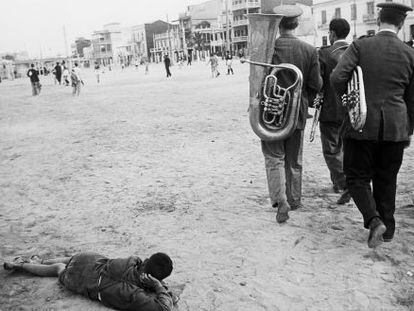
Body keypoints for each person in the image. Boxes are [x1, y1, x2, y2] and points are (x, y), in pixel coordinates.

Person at [331, 2, 414, 248]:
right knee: (387, 178)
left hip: (361, 125)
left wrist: (349, 101)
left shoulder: (360, 45)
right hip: (396, 127)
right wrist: (408, 129)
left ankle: (374, 219)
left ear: (378, 20)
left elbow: (337, 77)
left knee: (356, 177)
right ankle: (388, 229)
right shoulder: (410, 53)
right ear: (400, 24)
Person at [261, 5, 322, 223]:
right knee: (294, 159)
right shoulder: (308, 50)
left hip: (270, 114)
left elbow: (256, 81)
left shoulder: (267, 48)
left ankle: (280, 200)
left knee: (274, 157)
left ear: (278, 24)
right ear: (296, 24)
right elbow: (317, 84)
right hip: (296, 114)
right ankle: (294, 200)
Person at [3, 252, 175, 311]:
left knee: (72, 259)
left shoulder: (133, 261)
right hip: (84, 280)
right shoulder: (132, 293)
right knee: (59, 269)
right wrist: (159, 287)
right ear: (153, 278)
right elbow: (164, 308)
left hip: (91, 259)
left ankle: (39, 260)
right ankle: (23, 265)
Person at [318, 18, 352, 205]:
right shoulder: (356, 50)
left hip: (330, 110)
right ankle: (338, 183)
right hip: (352, 110)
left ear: (332, 33)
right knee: (346, 149)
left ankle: (345, 184)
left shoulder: (324, 53)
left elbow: (318, 82)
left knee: (331, 151)